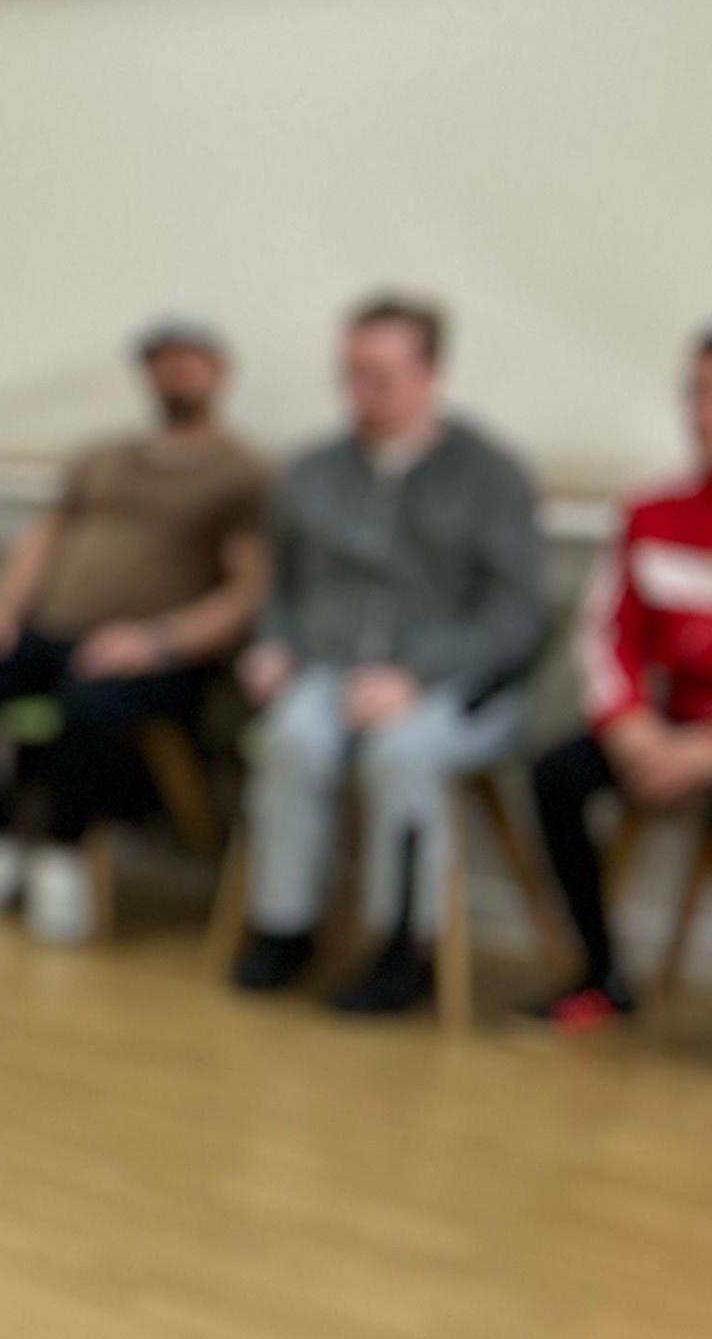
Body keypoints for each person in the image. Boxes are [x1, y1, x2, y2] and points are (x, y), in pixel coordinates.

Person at [228, 294, 546, 1015]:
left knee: (401, 755)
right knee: (290, 740)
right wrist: (273, 647)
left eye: (381, 375)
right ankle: (285, 926)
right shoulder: (311, 470)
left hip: (448, 679)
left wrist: (417, 676)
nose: (361, 392)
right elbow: (282, 583)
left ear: (430, 373)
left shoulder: (491, 474)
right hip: (327, 664)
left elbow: (517, 614)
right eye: (351, 373)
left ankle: (406, 945)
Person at [0, 320, 269, 946]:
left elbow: (248, 589)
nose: (176, 374)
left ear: (219, 372)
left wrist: (161, 640)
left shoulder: (243, 473)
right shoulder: (103, 456)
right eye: (163, 362)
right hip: (51, 632)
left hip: (155, 654)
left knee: (93, 707)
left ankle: (61, 852)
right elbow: (42, 538)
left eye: (190, 362)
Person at [527, 332, 712, 1029]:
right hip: (664, 727)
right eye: (695, 393)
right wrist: (631, 729)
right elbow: (607, 638)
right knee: (555, 775)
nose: (703, 414)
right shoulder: (650, 514)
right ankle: (600, 973)